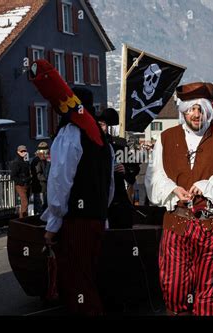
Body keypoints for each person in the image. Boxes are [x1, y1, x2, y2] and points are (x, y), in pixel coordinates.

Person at [145, 82, 213, 316]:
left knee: (207, 289)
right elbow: (154, 177)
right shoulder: (166, 138)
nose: (195, 114)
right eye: (191, 109)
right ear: (183, 110)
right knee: (173, 285)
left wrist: (209, 185)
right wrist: (173, 190)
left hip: (211, 222)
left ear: (208, 110)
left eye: (200, 109)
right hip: (177, 221)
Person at [30, 59, 114, 315]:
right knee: (87, 279)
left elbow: (60, 182)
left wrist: (53, 224)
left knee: (77, 285)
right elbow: (108, 188)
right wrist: (101, 214)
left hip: (77, 221)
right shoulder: (103, 141)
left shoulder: (70, 134)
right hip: (97, 219)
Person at [97, 108, 140, 229]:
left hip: (118, 197)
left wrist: (125, 169)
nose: (102, 128)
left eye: (103, 125)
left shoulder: (119, 144)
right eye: (99, 125)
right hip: (98, 198)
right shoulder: (88, 145)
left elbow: (134, 167)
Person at [10, 145, 31, 218]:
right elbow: (13, 176)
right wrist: (22, 181)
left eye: (25, 151)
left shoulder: (24, 161)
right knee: (25, 203)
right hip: (20, 185)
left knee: (25, 203)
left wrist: (28, 179)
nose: (24, 152)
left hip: (26, 184)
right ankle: (23, 220)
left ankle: (24, 219)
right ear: (18, 152)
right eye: (22, 151)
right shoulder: (16, 162)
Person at [30, 142, 50, 215]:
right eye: (46, 151)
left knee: (42, 205)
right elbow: (38, 174)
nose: (47, 153)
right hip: (40, 187)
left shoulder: (42, 159)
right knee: (41, 206)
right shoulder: (37, 160)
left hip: (42, 186)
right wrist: (47, 179)